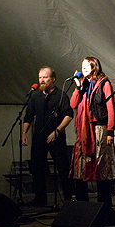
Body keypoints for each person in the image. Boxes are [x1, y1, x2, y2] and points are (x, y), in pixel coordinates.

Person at [22, 66, 75, 205]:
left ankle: (68, 198)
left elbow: (69, 115)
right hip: (39, 137)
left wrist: (57, 131)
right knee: (37, 167)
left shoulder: (60, 95)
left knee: (62, 167)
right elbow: (28, 117)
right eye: (40, 77)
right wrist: (24, 133)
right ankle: (40, 198)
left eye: (45, 77)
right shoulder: (35, 97)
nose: (42, 80)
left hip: (56, 137)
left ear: (53, 79)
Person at [70, 57, 115, 206]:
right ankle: (82, 205)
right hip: (85, 131)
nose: (83, 68)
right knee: (80, 167)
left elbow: (111, 108)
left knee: (100, 168)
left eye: (87, 65)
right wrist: (78, 87)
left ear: (95, 67)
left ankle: (104, 206)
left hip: (99, 129)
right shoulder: (84, 85)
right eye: (82, 66)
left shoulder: (104, 83)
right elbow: (73, 104)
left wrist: (110, 131)